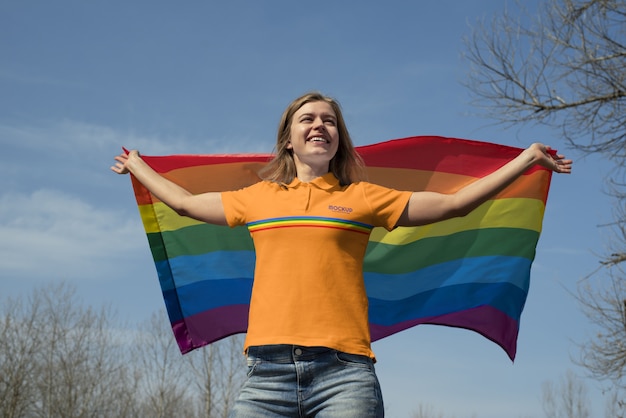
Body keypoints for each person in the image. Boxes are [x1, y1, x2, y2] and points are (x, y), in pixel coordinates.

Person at [111, 92, 572, 417]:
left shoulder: (364, 197)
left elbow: (454, 204)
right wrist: (138, 165)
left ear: (338, 140)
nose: (319, 126)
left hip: (344, 376)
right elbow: (187, 204)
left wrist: (526, 160)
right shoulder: (258, 197)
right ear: (289, 139)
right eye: (308, 119)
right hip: (264, 376)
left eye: (329, 121)